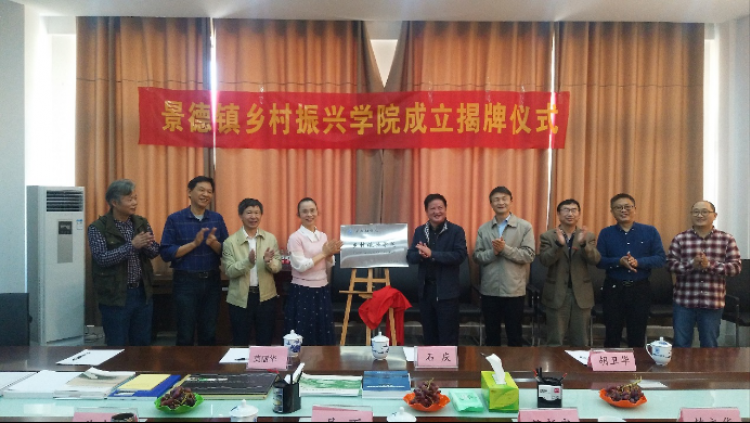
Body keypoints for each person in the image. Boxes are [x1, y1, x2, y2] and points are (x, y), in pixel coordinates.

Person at [88, 179, 159, 346]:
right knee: (117, 344)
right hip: (115, 296)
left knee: (142, 344)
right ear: (114, 202)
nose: (134, 203)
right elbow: (102, 259)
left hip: (142, 293)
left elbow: (155, 252)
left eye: (135, 198)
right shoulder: (98, 227)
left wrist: (146, 245)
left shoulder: (141, 223)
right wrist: (132, 246)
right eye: (129, 199)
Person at [159, 176, 229, 346]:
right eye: (202, 190)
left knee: (209, 332)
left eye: (209, 191)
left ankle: (208, 364)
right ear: (190, 192)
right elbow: (166, 252)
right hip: (185, 282)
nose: (206, 194)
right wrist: (193, 244)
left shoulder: (216, 218)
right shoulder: (175, 219)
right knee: (185, 333)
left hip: (212, 281)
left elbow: (228, 252)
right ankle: (184, 364)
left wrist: (214, 244)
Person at [667, 201, 742, 348]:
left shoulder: (727, 239)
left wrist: (710, 265)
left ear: (715, 215)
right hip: (684, 301)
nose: (699, 215)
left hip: (712, 302)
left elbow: (736, 268)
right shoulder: (680, 239)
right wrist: (691, 265)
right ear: (691, 215)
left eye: (704, 212)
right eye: (695, 212)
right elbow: (670, 265)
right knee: (681, 345)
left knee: (709, 346)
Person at [596, 193, 666, 348]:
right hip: (613, 289)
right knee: (612, 333)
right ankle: (612, 363)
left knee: (637, 334)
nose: (623, 210)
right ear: (612, 211)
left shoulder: (650, 231)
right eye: (618, 207)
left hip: (640, 289)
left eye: (627, 207)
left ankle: (637, 364)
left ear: (635, 209)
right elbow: (599, 261)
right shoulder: (606, 233)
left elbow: (661, 259)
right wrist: (618, 262)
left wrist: (638, 262)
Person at [472, 186, 534, 347]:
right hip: (490, 289)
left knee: (514, 335)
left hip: (514, 290)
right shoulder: (484, 229)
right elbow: (477, 256)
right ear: (491, 204)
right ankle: (492, 363)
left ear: (511, 201)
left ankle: (514, 363)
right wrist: (493, 252)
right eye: (496, 199)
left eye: (504, 198)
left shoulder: (524, 227)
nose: (501, 202)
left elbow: (529, 255)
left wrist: (504, 249)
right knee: (492, 335)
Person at [407, 194, 468, 346]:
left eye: (440, 208)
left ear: (445, 209)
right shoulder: (420, 231)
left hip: (447, 293)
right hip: (426, 292)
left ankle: (448, 363)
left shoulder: (456, 231)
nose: (437, 211)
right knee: (429, 335)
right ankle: (431, 362)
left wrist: (432, 254)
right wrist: (421, 255)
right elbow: (410, 256)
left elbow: (459, 256)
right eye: (432, 208)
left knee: (448, 337)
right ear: (426, 211)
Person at [539, 199, 601, 347]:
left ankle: (578, 363)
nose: (570, 213)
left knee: (580, 341)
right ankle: (554, 363)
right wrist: (558, 245)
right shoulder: (548, 236)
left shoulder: (588, 236)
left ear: (579, 214)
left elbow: (595, 260)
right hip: (557, 293)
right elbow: (545, 260)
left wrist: (584, 244)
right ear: (558, 214)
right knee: (555, 340)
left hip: (581, 294)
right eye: (566, 210)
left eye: (574, 210)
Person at [222, 198, 282, 346]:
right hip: (240, 299)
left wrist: (269, 262)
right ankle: (241, 363)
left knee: (265, 340)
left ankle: (263, 363)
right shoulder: (230, 242)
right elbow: (229, 271)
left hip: (266, 298)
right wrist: (248, 262)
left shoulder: (270, 238)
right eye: (249, 212)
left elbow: (278, 267)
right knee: (240, 341)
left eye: (257, 212)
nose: (253, 216)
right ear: (241, 215)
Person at [285, 197, 343, 346]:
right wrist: (324, 253)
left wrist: (330, 254)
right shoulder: (295, 238)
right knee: (303, 332)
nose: (309, 214)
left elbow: (330, 263)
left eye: (312, 210)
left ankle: (323, 361)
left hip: (322, 289)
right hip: (302, 291)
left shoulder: (322, 236)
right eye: (305, 211)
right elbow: (300, 266)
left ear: (317, 212)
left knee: (322, 331)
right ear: (298, 215)